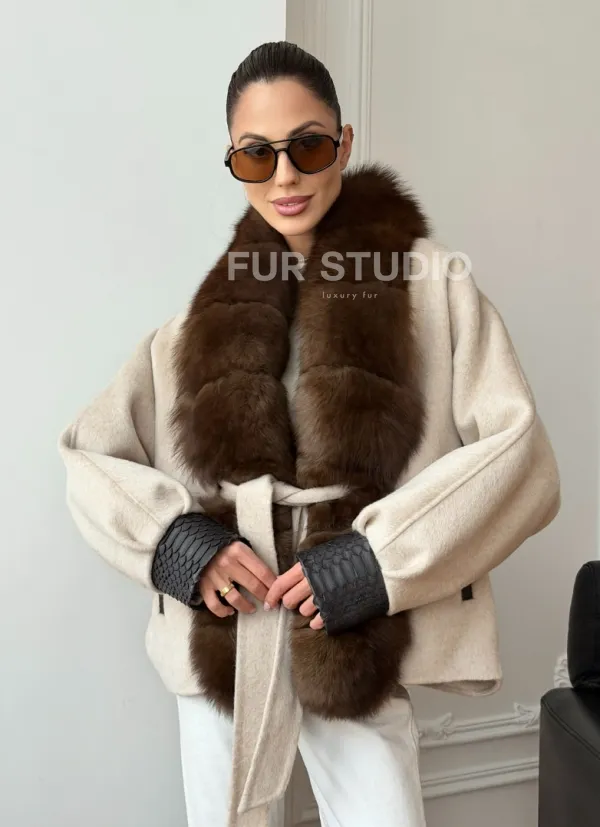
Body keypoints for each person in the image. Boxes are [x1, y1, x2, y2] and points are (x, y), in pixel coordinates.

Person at [58, 40, 560, 827]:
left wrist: (375, 560)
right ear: (234, 161)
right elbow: (88, 456)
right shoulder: (195, 325)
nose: (285, 176)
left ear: (344, 143)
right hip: (229, 634)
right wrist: (179, 542)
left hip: (355, 629)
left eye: (308, 146)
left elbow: (520, 455)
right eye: (257, 155)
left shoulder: (431, 287)